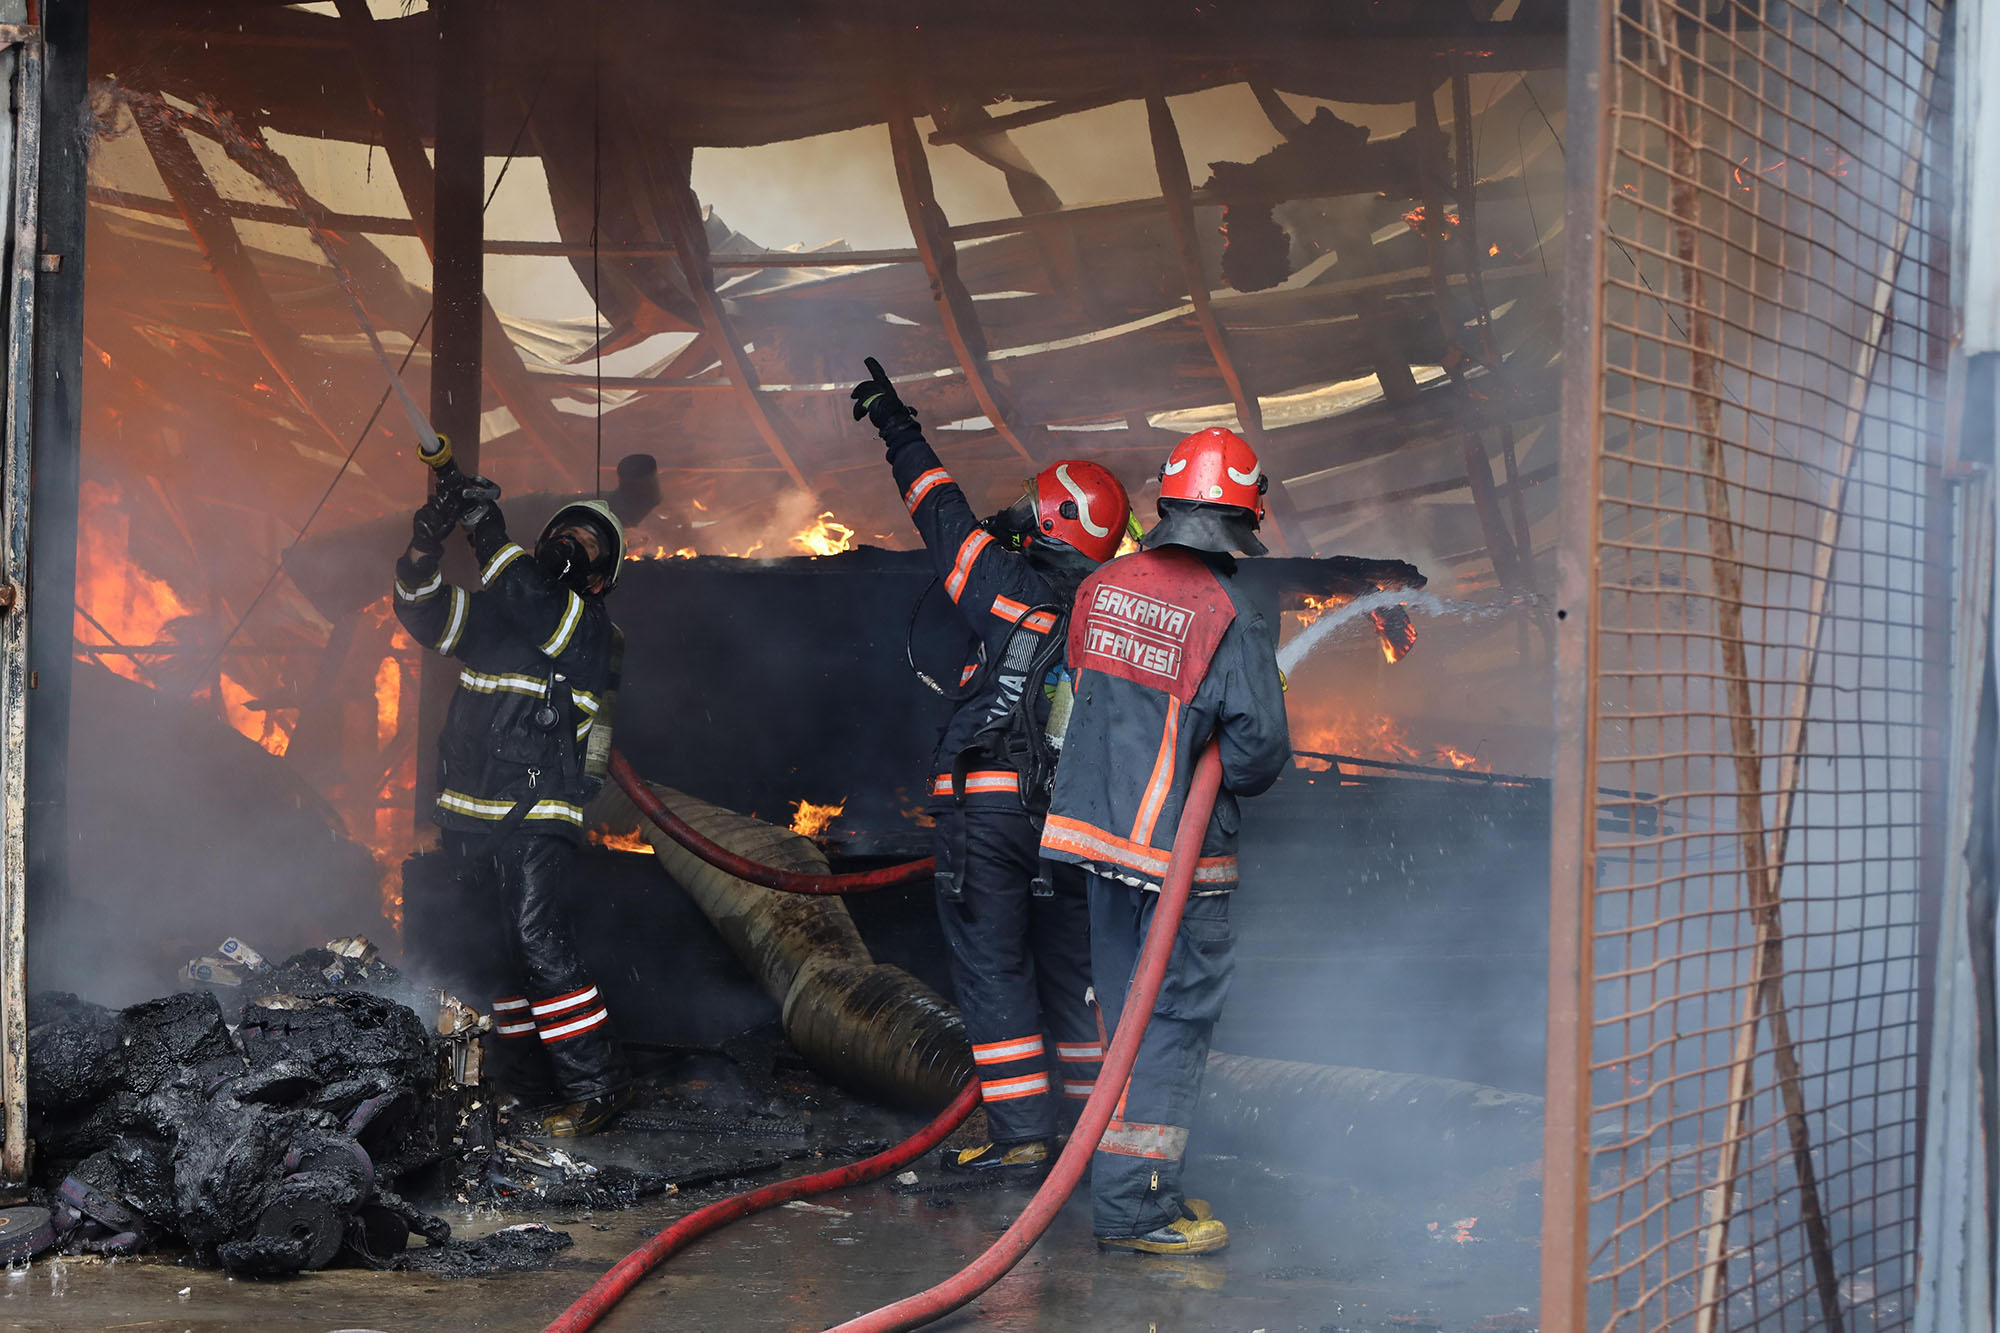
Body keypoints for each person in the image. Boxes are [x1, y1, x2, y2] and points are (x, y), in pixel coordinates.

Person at [851, 358, 1133, 1178]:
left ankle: (1021, 1140)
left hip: (991, 815)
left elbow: (940, 511)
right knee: (1073, 973)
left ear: (1049, 518)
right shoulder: (1112, 615)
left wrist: (897, 426)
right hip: (1073, 827)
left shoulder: (1006, 584)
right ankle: (1091, 1136)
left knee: (992, 967)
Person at [1039, 426, 1292, 1254]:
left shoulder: (1101, 584)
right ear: (1243, 517)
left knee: (1126, 1018)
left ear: (1170, 502)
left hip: (1101, 848)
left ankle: (1127, 1185)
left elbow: (1090, 696)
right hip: (1178, 864)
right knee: (1172, 1022)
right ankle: (1136, 1208)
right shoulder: (1231, 613)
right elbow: (1255, 759)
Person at [393, 468, 632, 1137]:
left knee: (538, 943)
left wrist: (487, 529)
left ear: (599, 577)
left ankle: (598, 1084)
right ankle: (521, 1082)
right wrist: (424, 545)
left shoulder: (586, 629)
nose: (568, 545)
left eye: (585, 544)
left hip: (535, 816)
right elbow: (421, 609)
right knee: (496, 958)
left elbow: (531, 599)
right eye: (563, 533)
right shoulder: (501, 616)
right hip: (473, 820)